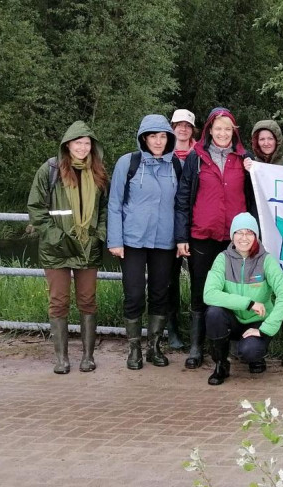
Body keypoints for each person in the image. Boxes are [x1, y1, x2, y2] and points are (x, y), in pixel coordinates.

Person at [27, 121, 108, 375]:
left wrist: (100, 235)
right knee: (58, 302)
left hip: (88, 248)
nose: (83, 148)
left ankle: (87, 357)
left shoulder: (98, 172)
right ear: (67, 145)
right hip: (57, 249)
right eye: (78, 143)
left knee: (88, 301)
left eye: (87, 143)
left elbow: (105, 210)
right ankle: (61, 359)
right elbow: (36, 209)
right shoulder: (49, 170)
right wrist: (57, 237)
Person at [175, 108, 251, 370]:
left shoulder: (244, 158)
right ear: (209, 130)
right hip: (202, 235)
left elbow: (255, 199)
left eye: (227, 129)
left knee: (232, 289)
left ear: (234, 132)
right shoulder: (196, 158)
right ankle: (196, 346)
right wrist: (181, 236)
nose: (222, 133)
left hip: (234, 238)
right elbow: (183, 199)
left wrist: (254, 170)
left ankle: (227, 345)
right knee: (200, 290)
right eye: (218, 128)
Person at [107, 114, 180, 370]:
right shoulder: (128, 163)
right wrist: (115, 239)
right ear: (143, 138)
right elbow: (115, 203)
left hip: (165, 241)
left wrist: (181, 239)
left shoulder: (176, 165)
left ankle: (155, 346)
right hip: (132, 241)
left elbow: (181, 205)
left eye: (163, 136)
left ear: (169, 138)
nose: (158, 141)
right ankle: (134, 348)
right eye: (153, 136)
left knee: (161, 294)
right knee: (134, 294)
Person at [202, 213, 283, 385]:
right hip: (233, 319)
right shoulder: (223, 259)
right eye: (239, 232)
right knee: (213, 313)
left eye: (249, 233)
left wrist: (265, 328)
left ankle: (255, 355)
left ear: (256, 236)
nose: (244, 238)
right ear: (232, 236)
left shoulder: (266, 260)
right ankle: (221, 365)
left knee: (250, 351)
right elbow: (209, 294)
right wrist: (248, 303)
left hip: (258, 321)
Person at [165, 109, 199, 351]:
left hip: (197, 224)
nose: (183, 129)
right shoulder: (162, 152)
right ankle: (172, 329)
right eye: (179, 125)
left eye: (187, 125)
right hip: (169, 224)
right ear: (172, 126)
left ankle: (202, 331)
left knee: (201, 280)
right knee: (169, 281)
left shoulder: (201, 154)